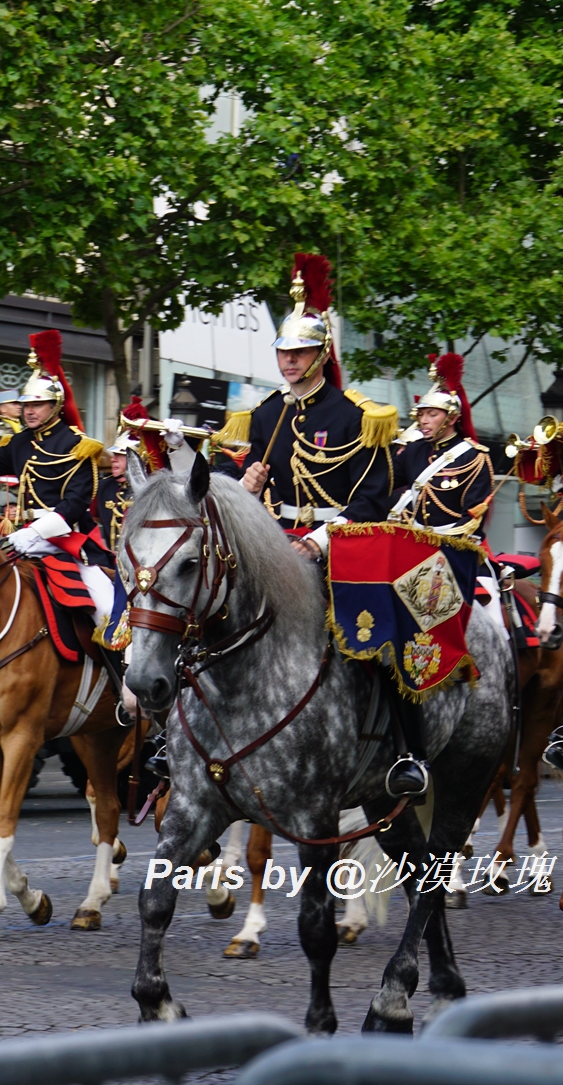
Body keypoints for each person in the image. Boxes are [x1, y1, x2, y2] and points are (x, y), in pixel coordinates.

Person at [218, 255, 404, 788]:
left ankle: (403, 749)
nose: (289, 362)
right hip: (274, 540)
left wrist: (319, 543)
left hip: (335, 544)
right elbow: (251, 488)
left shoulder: (356, 416)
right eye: (283, 353)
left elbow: (372, 499)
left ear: (322, 354)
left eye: (299, 352)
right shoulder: (265, 415)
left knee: (378, 636)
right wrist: (247, 490)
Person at [0, 330, 123, 675]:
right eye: (25, 406)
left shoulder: (78, 445)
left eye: (37, 405)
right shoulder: (21, 443)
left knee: (107, 607)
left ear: (55, 406)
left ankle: (125, 693)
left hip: (65, 545)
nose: (29, 412)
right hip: (21, 542)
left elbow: (74, 505)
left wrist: (36, 532)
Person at [376, 353, 493, 797]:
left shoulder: (475, 459)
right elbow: (393, 499)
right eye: (421, 413)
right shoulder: (411, 455)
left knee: (411, 634)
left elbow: (470, 522)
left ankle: (418, 747)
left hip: (446, 558)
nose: (422, 419)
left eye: (430, 413)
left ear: (450, 418)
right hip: (405, 550)